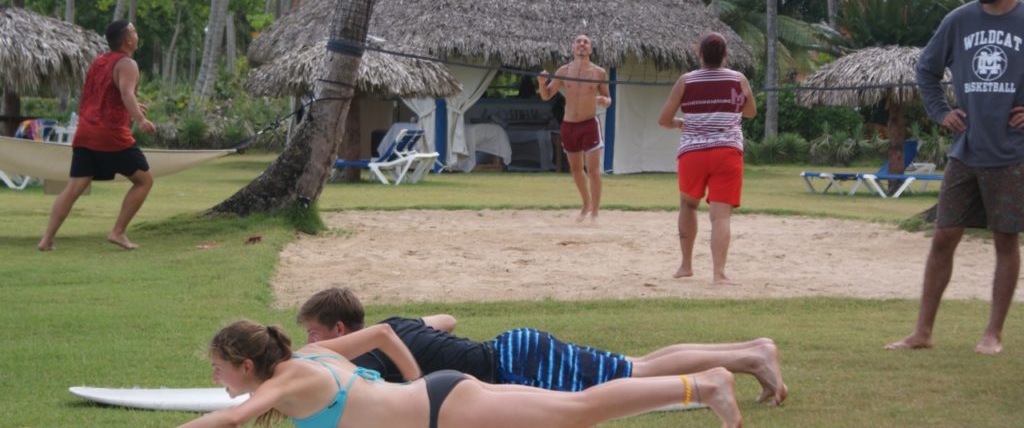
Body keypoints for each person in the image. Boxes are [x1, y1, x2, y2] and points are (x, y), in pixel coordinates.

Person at [178, 319, 742, 428]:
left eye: (219, 369)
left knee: (580, 410)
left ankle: (704, 384)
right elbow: (380, 334)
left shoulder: (289, 381)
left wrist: (415, 384)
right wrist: (411, 378)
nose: (217, 379)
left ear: (247, 365)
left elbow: (233, 418)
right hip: (438, 403)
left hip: (449, 409)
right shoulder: (310, 358)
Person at [296, 286, 786, 407]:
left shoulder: (361, 352)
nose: (310, 345)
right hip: (514, 349)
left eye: (315, 335)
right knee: (642, 364)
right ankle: (749, 350)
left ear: (340, 330)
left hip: (517, 362)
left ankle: (751, 357)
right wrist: (426, 343)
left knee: (638, 371)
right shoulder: (393, 323)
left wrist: (417, 372)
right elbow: (446, 318)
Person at [887, 0, 1024, 356]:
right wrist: (940, 111)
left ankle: (992, 334)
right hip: (966, 150)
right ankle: (922, 332)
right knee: (944, 236)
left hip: (1012, 152)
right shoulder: (959, 20)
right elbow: (926, 70)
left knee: (1006, 241)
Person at [37, 20, 156, 251]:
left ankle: (47, 240)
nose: (137, 34)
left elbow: (109, 94)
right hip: (111, 135)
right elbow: (125, 92)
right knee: (144, 180)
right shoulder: (127, 63)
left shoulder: (100, 61)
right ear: (127, 40)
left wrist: (132, 107)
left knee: (73, 187)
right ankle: (118, 232)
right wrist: (140, 120)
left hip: (85, 133)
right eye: (134, 31)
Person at [657, 33, 757, 284]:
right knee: (721, 216)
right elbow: (751, 112)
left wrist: (681, 122)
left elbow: (663, 120)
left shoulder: (686, 81)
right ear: (725, 55)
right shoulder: (738, 79)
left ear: (699, 54)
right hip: (727, 151)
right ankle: (719, 274)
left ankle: (685, 265)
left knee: (688, 206)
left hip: (693, 152)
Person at [538, 34, 611, 222]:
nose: (582, 44)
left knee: (593, 170)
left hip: (589, 124)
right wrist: (541, 83)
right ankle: (586, 204)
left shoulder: (599, 72)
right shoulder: (564, 70)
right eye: (578, 42)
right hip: (569, 125)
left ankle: (595, 211)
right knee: (576, 169)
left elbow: (608, 99)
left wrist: (605, 100)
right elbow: (546, 96)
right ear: (573, 48)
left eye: (585, 42)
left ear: (590, 49)